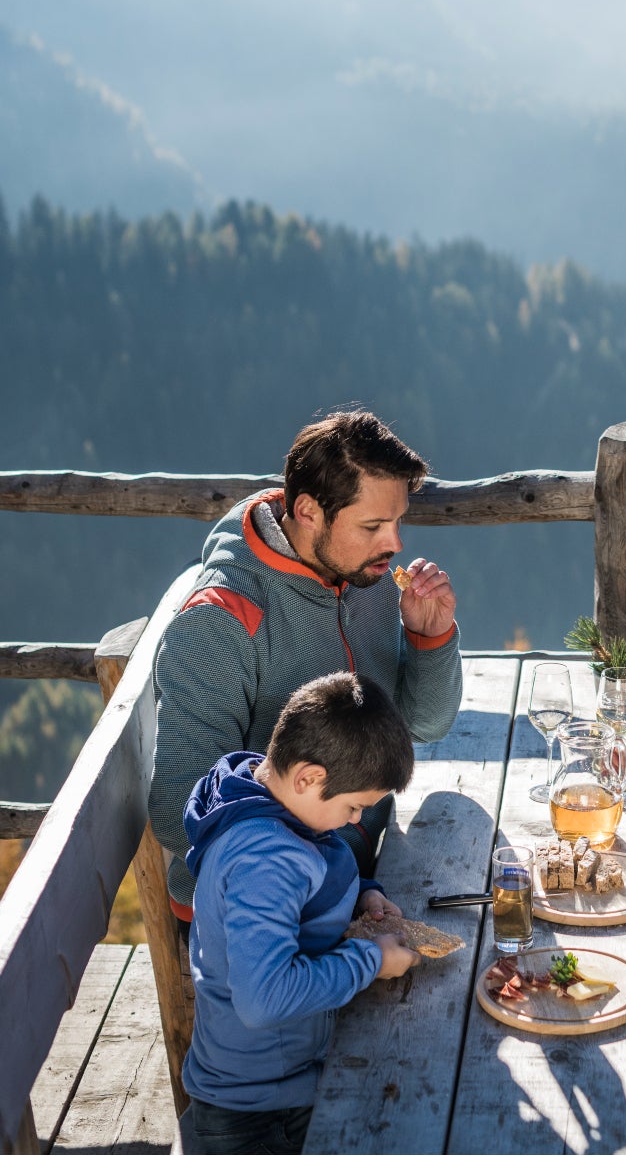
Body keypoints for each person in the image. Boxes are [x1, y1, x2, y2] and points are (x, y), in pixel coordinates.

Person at [151, 408, 463, 919]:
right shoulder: (221, 621)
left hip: (363, 862)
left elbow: (425, 727)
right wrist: (333, 877)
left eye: (397, 521)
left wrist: (429, 638)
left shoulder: (365, 574)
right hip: (262, 908)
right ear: (308, 511)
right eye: (373, 525)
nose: (395, 544)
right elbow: (176, 810)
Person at [177, 671, 420, 1155]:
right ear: (308, 777)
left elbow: (310, 879)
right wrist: (372, 960)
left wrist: (363, 895)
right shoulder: (264, 859)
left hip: (284, 1078)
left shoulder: (266, 796)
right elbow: (264, 1000)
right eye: (354, 806)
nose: (356, 819)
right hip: (258, 1114)